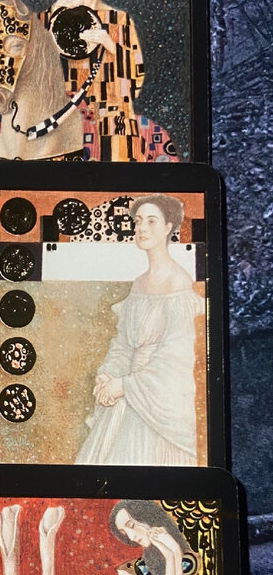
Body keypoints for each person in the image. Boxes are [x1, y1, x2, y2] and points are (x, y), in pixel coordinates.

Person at [76, 194, 203, 466]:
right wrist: (108, 375)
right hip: (126, 393)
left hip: (156, 399)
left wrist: (124, 386)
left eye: (151, 221)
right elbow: (123, 344)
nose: (142, 228)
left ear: (168, 227)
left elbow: (176, 356)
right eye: (138, 221)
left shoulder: (179, 283)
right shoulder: (139, 284)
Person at [51, 0, 174, 162]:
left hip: (114, 119)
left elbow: (136, 74)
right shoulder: (58, 13)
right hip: (70, 115)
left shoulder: (119, 20)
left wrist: (109, 43)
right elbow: (39, 63)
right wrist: (54, 16)